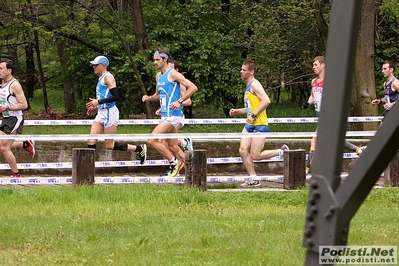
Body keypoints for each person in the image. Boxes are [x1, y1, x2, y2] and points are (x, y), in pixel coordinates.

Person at [229, 60, 289, 188]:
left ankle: (282, 151)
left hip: (260, 124)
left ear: (251, 72)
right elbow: (251, 108)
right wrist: (238, 111)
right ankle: (253, 178)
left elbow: (266, 101)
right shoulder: (248, 86)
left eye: (244, 70)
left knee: (255, 155)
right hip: (249, 125)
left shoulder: (255, 84)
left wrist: (254, 115)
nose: (241, 72)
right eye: (241, 69)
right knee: (243, 150)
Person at [302, 56, 365, 172]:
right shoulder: (314, 81)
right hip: (320, 114)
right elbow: (313, 95)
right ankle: (359, 151)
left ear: (323, 65)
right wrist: (307, 103)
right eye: (313, 65)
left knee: (314, 140)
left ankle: (305, 170)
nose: (313, 67)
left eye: (315, 65)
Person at [142, 48, 198, 177]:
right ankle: (194, 173)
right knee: (173, 145)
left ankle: (174, 163)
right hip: (165, 115)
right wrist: (149, 98)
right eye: (154, 60)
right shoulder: (158, 76)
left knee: (152, 140)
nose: (155, 62)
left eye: (157, 60)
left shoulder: (173, 74)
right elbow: (158, 95)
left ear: (165, 59)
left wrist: (179, 101)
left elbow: (193, 87)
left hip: (174, 115)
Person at [85, 55, 147, 164]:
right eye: (93, 65)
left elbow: (116, 96)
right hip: (101, 113)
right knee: (91, 140)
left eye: (96, 65)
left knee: (110, 145)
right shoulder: (100, 78)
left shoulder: (108, 77)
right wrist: (95, 106)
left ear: (103, 66)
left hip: (110, 113)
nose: (93, 67)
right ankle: (87, 168)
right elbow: (104, 97)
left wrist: (98, 102)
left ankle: (138, 149)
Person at [0, 59, 32, 178]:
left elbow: (24, 105)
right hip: (6, 118)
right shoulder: (2, 83)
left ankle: (16, 174)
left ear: (9, 70)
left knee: (4, 147)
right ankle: (24, 144)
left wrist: (6, 108)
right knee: (2, 145)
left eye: (1, 69)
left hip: (14, 118)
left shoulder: (15, 85)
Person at [155, 60, 193, 154]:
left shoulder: (180, 84)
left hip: (176, 115)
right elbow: (164, 98)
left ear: (176, 70)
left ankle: (183, 143)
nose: (168, 70)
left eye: (171, 69)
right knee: (169, 143)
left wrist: (178, 102)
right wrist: (162, 107)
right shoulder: (163, 80)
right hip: (168, 114)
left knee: (161, 141)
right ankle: (179, 162)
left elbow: (188, 101)